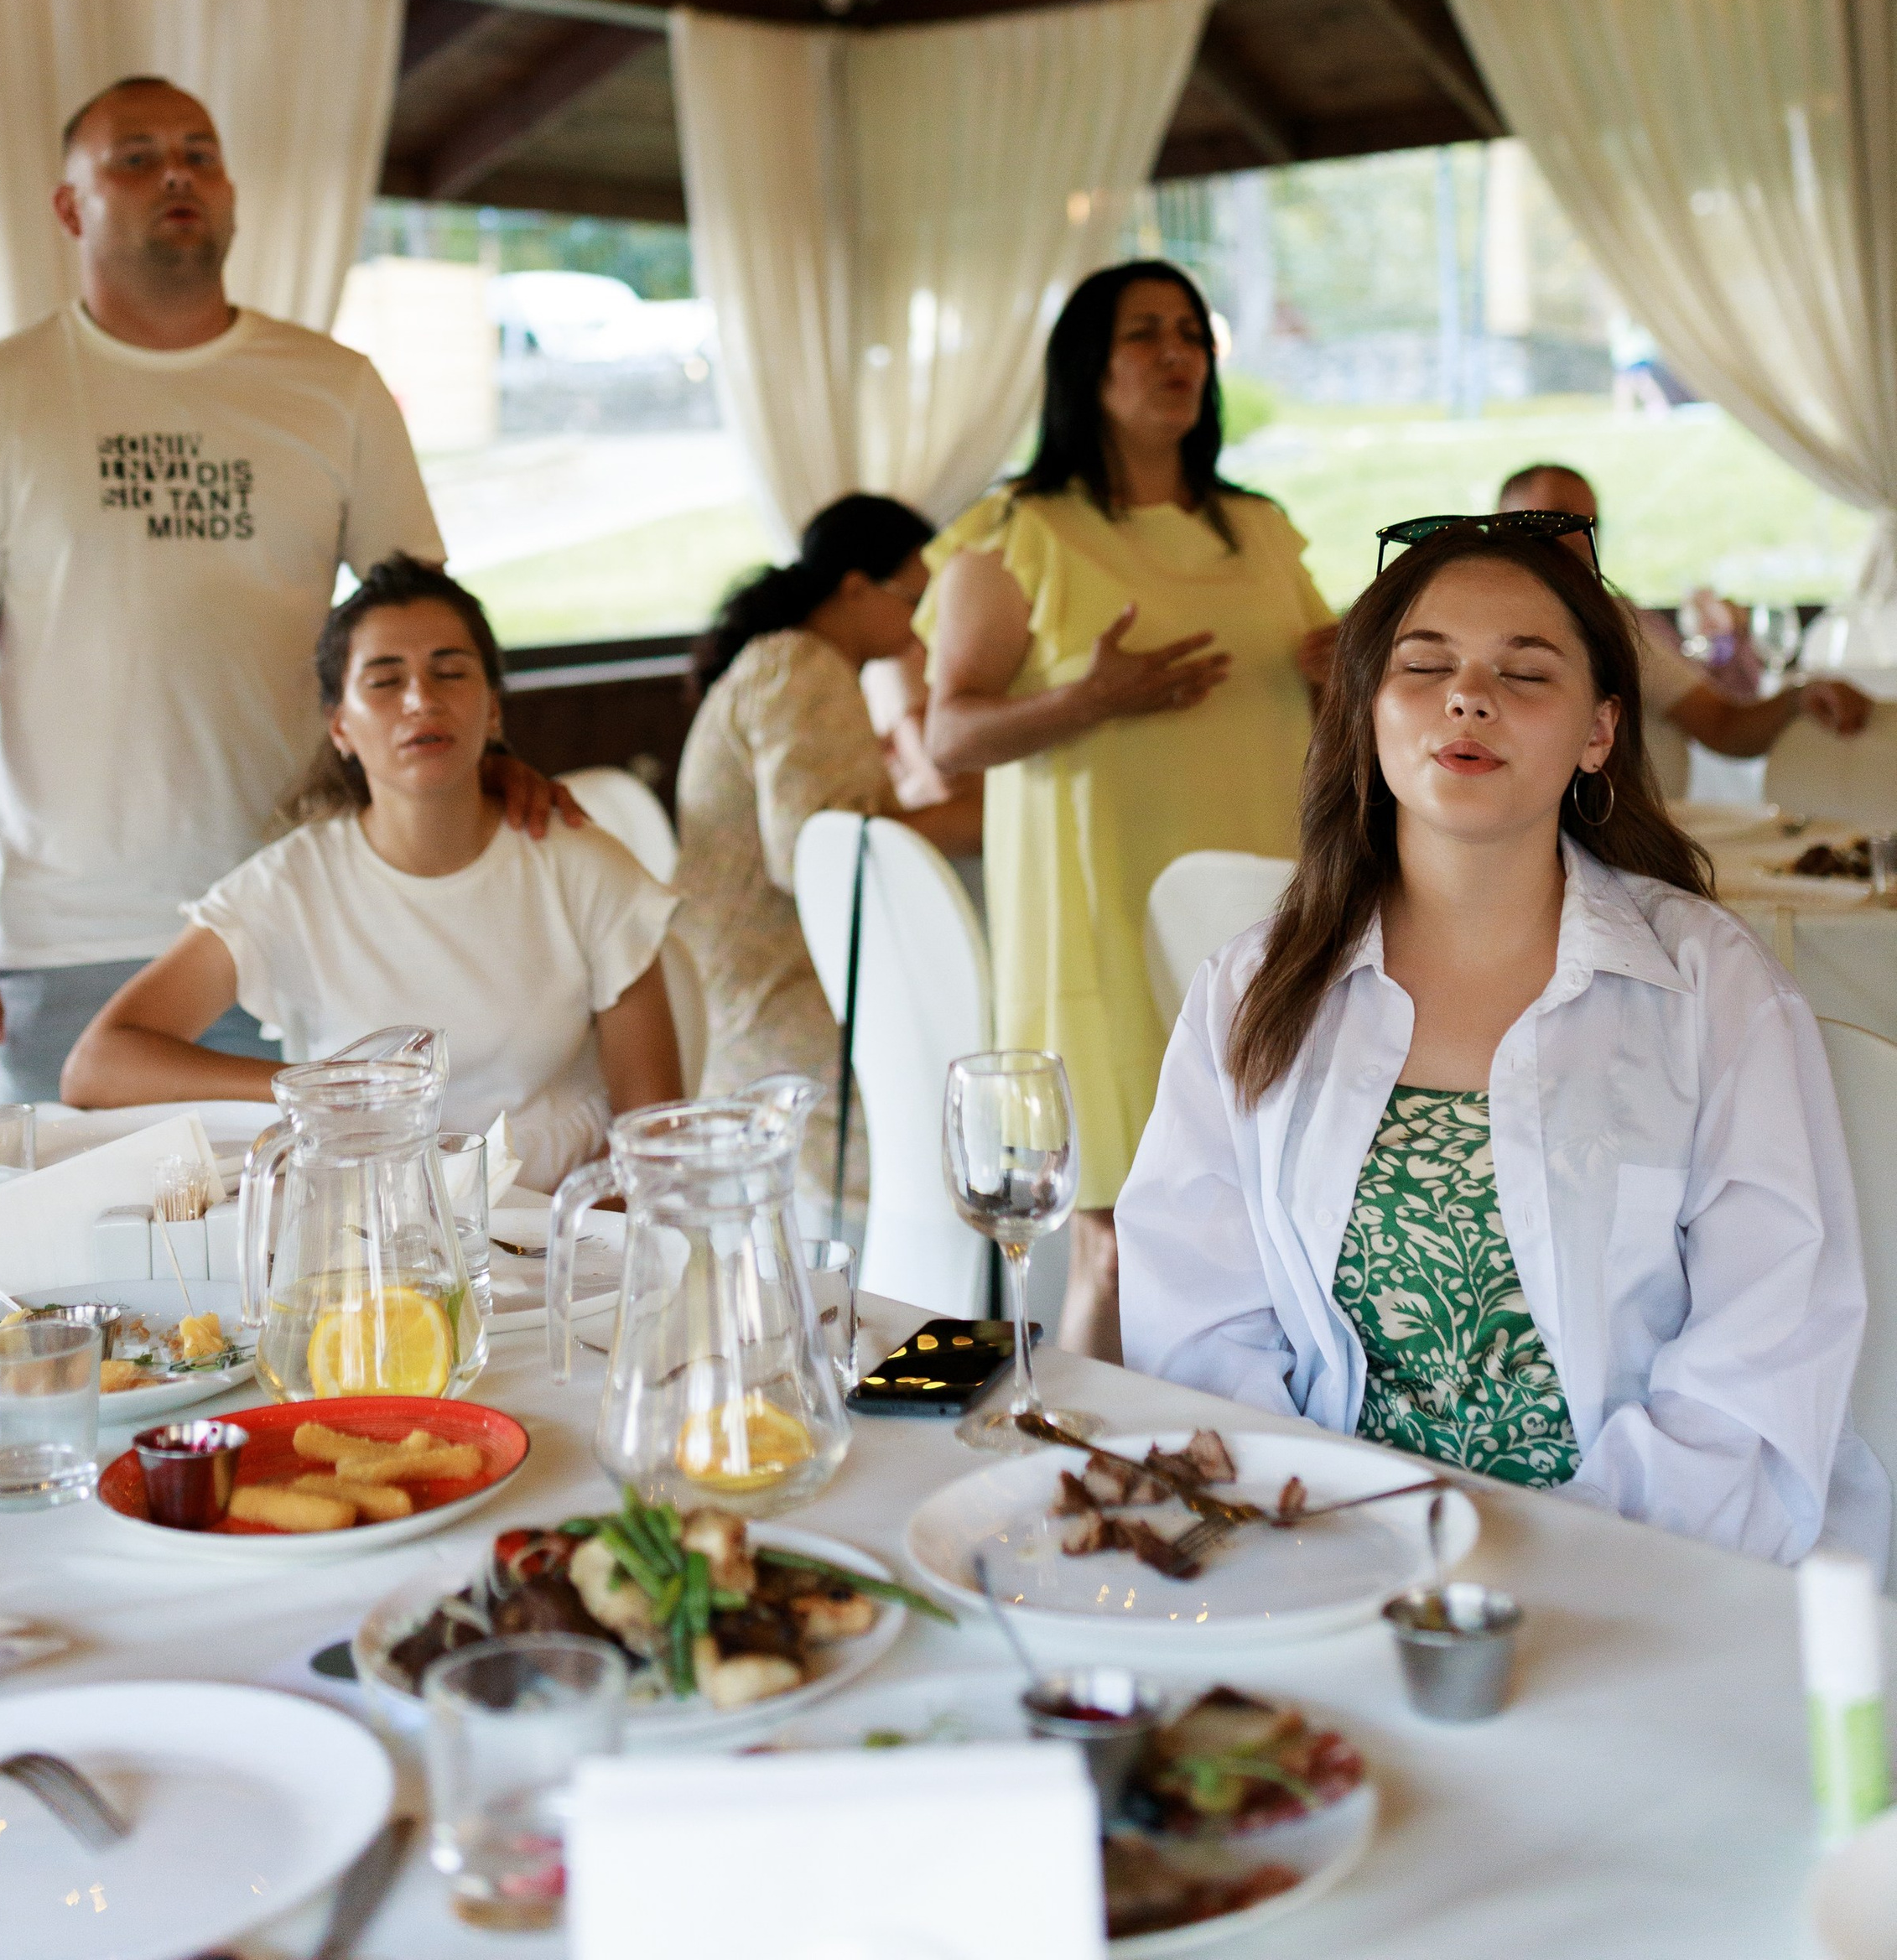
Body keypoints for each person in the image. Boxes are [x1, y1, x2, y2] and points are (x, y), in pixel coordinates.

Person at [1115, 522, 1887, 1567]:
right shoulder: (1254, 988)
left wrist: (1565, 1560)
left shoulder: (1710, 987)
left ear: (1599, 732)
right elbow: (1195, 1324)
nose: (1467, 698)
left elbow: (1764, 1342)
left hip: (1647, 1569)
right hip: (1328, 1551)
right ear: (1366, 714)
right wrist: (1320, 1537)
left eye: (1524, 673)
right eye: (1424, 666)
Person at [0, 74, 559, 1104]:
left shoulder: (336, 387)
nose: (177, 175)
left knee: (328, 1257)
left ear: (232, 193)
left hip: (313, 909)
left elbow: (419, 624)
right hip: (73, 936)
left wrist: (491, 758)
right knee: (77, 1256)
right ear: (70, 206)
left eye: (200, 153)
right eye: (136, 156)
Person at [923, 263, 1337, 1358]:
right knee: (1122, 1236)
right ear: (1085, 369)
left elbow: (1325, 679)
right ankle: (1083, 1471)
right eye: (1145, 336)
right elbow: (948, 733)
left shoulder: (1260, 530)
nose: (1177, 356)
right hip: (1097, 928)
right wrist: (1093, 698)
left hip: (1264, 921)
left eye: (1192, 335)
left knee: (1275, 1223)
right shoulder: (1019, 533)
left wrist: (1354, 666)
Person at [64, 558, 683, 1188]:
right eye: (385, 681)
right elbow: (98, 1067)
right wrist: (321, 1092)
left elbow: (656, 1148)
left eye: (450, 672)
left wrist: (573, 1260)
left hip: (568, 1244)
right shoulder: (291, 886)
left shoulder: (584, 867)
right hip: (370, 1252)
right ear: (340, 727)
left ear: (493, 709)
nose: (422, 699)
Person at [672, 495, 981, 1191]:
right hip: (773, 988)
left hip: (742, 976)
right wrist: (981, 818)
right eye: (914, 598)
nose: (923, 621)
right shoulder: (800, 664)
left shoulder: (794, 662)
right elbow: (812, 853)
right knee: (914, 1134)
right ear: (854, 587)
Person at [1496, 463, 1871, 760]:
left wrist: (1800, 697)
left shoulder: (1611, 626)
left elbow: (1724, 726)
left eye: (1590, 525)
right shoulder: (1454, 623)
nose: (1578, 537)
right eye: (1555, 519)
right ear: (1500, 529)